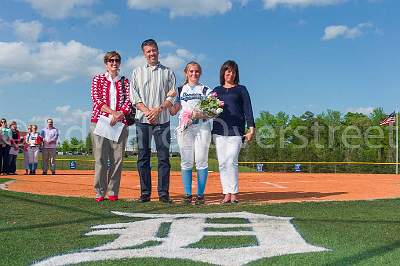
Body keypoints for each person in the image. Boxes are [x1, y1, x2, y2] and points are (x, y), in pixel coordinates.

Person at [130, 39, 176, 203]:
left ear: (158, 51)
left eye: (154, 50)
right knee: (143, 157)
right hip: (142, 120)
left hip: (162, 120)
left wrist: (158, 110)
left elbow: (172, 96)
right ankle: (145, 194)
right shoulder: (136, 72)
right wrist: (148, 112)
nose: (152, 53)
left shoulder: (168, 72)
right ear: (144, 54)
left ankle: (163, 194)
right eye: (148, 51)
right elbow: (134, 97)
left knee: (163, 158)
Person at [168, 62, 212, 204]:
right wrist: (168, 98)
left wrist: (200, 114)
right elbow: (173, 112)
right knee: (186, 161)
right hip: (185, 128)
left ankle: (200, 195)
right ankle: (187, 194)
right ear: (186, 73)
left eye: (197, 71)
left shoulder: (205, 90)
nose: (194, 74)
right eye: (191, 71)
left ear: (200, 73)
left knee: (201, 160)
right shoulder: (180, 90)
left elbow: (213, 111)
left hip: (202, 127)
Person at [212, 60, 255, 204]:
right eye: (227, 70)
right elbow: (209, 110)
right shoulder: (216, 90)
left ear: (236, 73)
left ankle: (234, 193)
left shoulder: (241, 89)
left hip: (236, 130)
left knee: (232, 160)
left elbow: (248, 109)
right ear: (223, 72)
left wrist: (251, 129)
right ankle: (226, 194)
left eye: (232, 71)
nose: (229, 73)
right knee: (223, 163)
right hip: (219, 130)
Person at [90, 51, 131, 202]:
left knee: (117, 159)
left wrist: (119, 114)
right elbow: (97, 99)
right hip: (100, 122)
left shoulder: (125, 81)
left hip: (120, 124)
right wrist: (112, 113)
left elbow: (129, 100)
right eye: (111, 61)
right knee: (100, 158)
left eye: (117, 60)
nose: (114, 63)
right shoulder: (97, 79)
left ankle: (112, 191)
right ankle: (100, 192)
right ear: (106, 63)